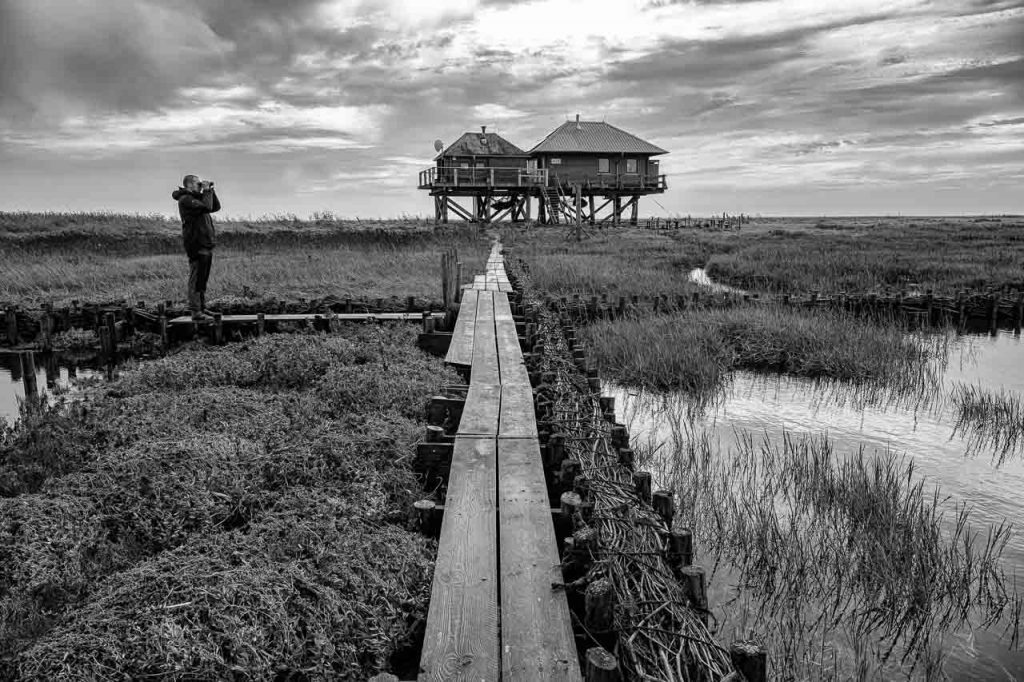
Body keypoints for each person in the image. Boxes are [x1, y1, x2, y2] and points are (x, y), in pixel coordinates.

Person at [172, 174, 221, 320]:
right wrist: (205, 191)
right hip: (196, 244)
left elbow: (215, 207)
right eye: (198, 183)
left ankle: (202, 309)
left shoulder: (196, 198)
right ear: (189, 184)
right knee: (196, 278)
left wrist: (210, 191)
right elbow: (207, 206)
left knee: (202, 279)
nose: (200, 185)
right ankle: (195, 311)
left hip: (205, 243)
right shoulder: (186, 199)